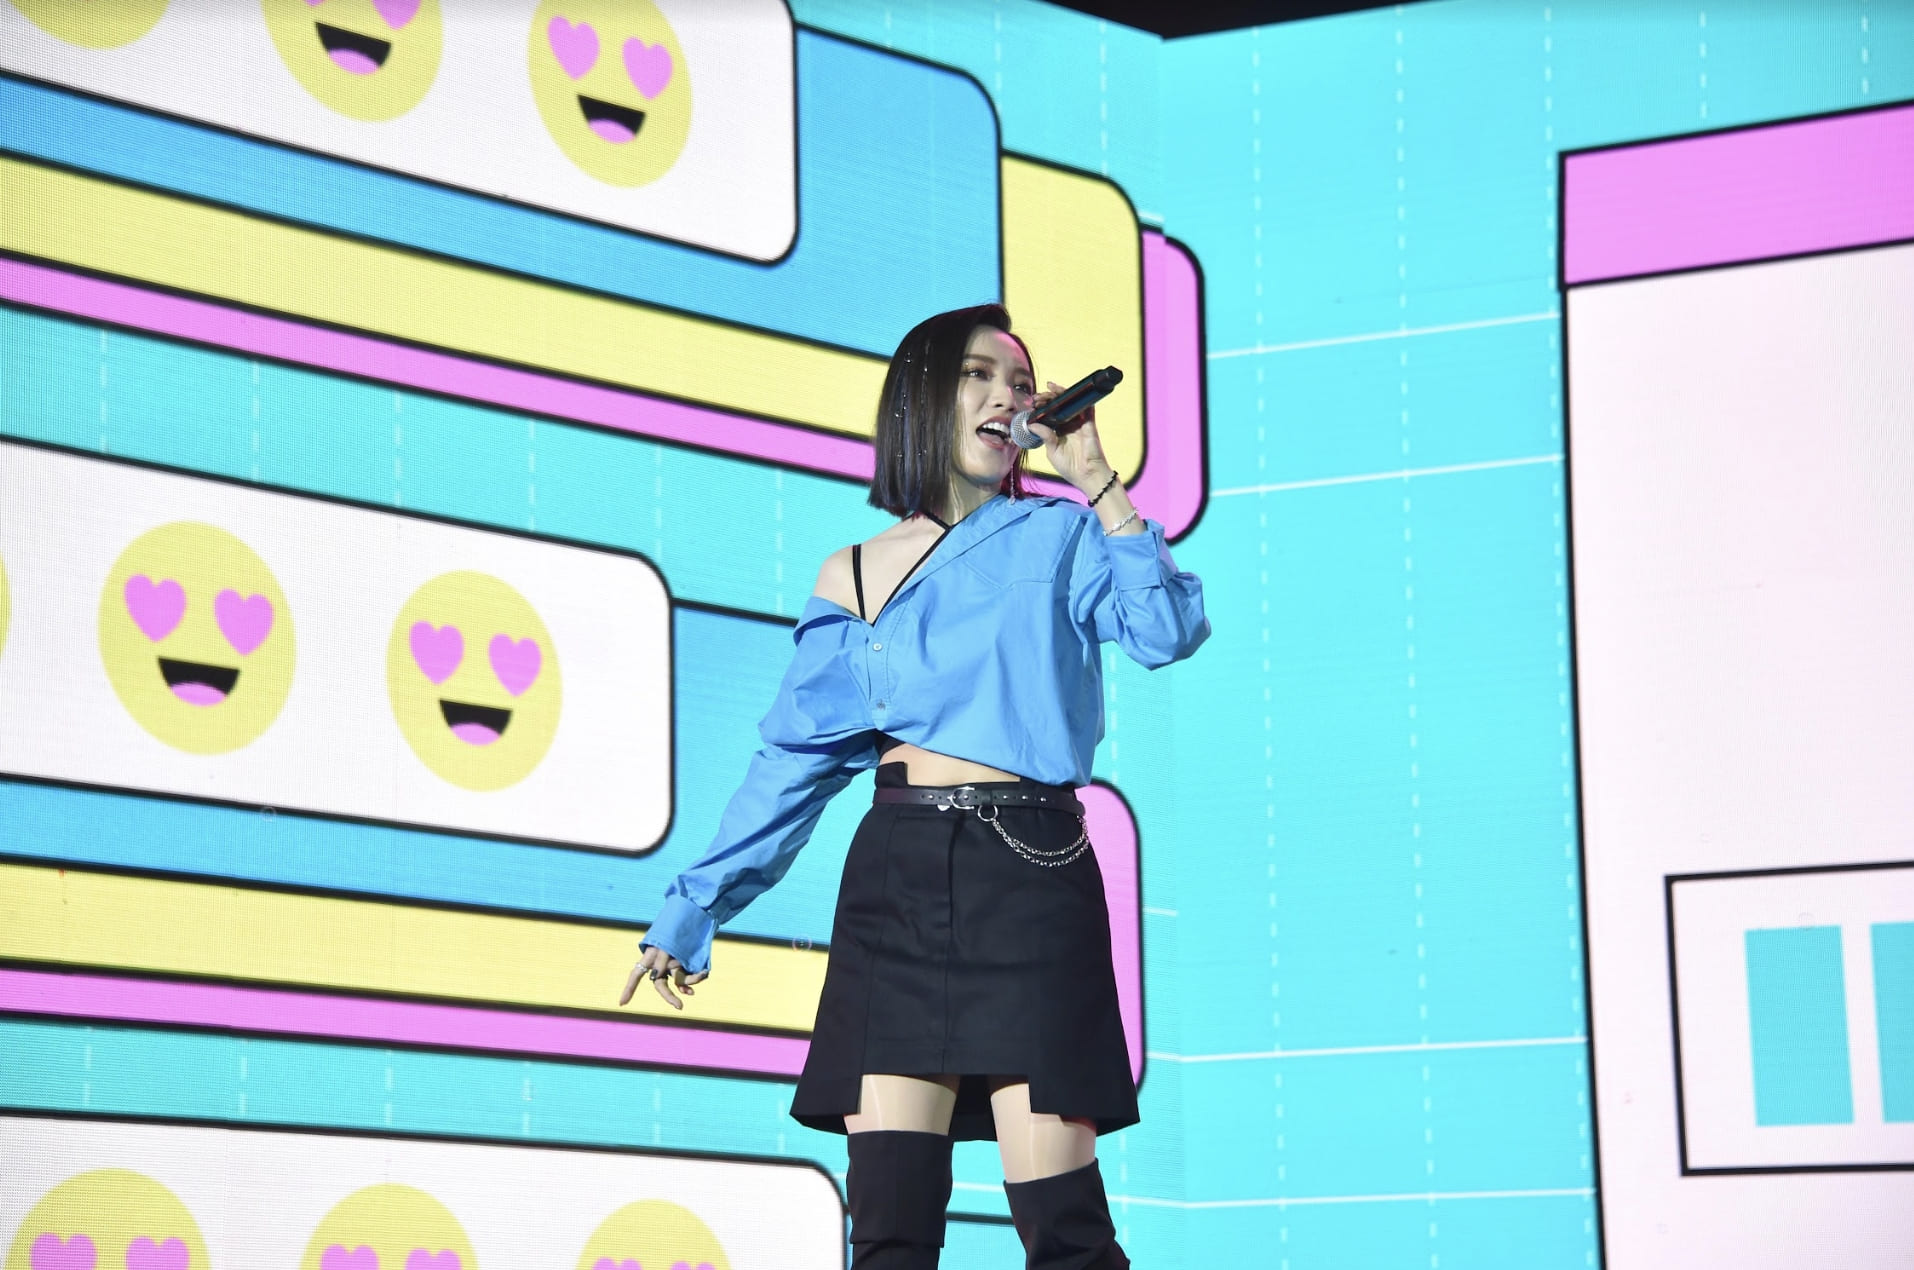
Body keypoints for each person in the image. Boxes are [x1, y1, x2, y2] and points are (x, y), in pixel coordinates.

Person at [622, 303, 1209, 1268]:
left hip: (1032, 871)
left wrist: (1098, 480)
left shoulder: (1061, 536)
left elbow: (1167, 632)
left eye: (1021, 384)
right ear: (923, 397)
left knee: (1065, 1230)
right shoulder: (853, 573)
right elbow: (793, 763)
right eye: (980, 375)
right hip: (898, 881)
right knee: (890, 1234)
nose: (1006, 396)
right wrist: (695, 906)